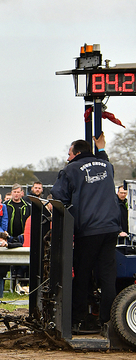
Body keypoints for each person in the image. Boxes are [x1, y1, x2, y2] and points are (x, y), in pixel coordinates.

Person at [51, 136, 121, 334]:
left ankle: (79, 318)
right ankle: (108, 320)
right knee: (108, 275)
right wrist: (101, 149)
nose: (67, 157)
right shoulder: (107, 166)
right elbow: (103, 165)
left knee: (82, 274)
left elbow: (59, 197)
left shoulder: (70, 169)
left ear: (77, 153)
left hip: (88, 230)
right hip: (111, 228)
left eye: (69, 153)